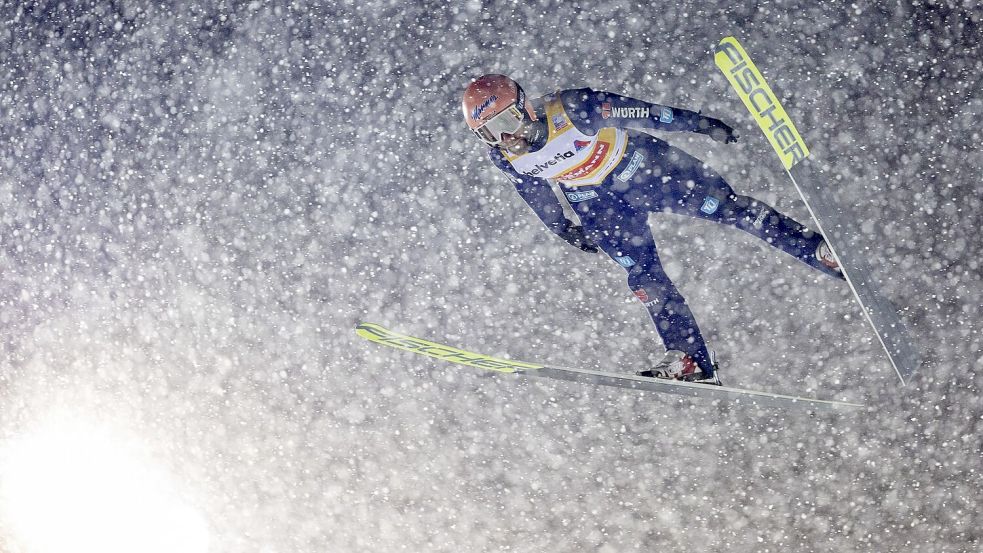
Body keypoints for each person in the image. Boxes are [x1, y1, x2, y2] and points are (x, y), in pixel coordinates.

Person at [461, 74, 843, 385]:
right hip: (598, 204)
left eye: (506, 123)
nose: (505, 138)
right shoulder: (505, 156)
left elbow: (646, 113)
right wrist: (563, 228)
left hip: (646, 169)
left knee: (732, 210)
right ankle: (690, 359)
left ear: (524, 105)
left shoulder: (573, 108)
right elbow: (535, 194)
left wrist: (701, 125)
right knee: (642, 277)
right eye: (488, 134)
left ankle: (819, 252)